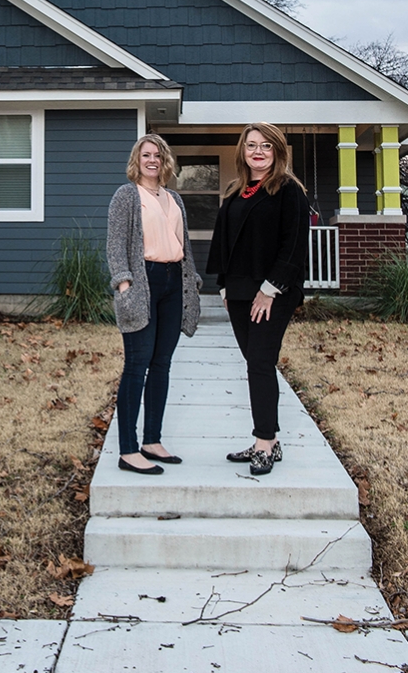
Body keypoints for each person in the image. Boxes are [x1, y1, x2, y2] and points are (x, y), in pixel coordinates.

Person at [206, 122, 309, 476]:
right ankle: (270, 440)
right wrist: (223, 285)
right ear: (243, 151)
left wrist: (270, 289)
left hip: (272, 292)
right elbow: (225, 240)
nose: (258, 152)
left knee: (260, 363)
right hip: (237, 291)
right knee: (256, 363)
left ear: (278, 151)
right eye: (252, 145)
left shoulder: (289, 191)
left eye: (266, 146)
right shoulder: (237, 191)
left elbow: (294, 245)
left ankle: (265, 442)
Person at [106, 134, 201, 475]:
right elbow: (116, 244)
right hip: (143, 281)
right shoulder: (127, 196)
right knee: (137, 364)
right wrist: (124, 283)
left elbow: (182, 243)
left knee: (161, 363)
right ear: (137, 159)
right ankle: (128, 450)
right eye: (146, 154)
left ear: (165, 162)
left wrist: (191, 279)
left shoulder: (174, 198)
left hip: (173, 281)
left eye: (158, 155)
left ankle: (151, 440)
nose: (152, 160)